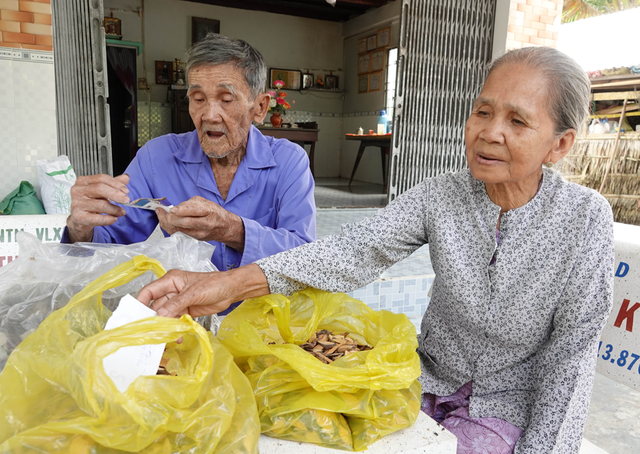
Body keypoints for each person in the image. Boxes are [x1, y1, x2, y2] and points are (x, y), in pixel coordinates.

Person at [138, 47, 614, 453]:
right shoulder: (441, 194)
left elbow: (570, 360)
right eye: (483, 112)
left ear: (561, 144)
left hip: (510, 405)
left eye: (518, 121)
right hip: (425, 383)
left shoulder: (585, 218)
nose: (489, 132)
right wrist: (225, 285)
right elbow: (354, 251)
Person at [63, 34, 316, 313]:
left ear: (260, 107)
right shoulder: (157, 157)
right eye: (198, 98)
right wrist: (81, 228)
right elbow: (109, 246)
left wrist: (233, 230)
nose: (209, 114)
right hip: (182, 323)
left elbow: (306, 258)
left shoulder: (289, 161)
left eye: (226, 99)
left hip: (264, 325)